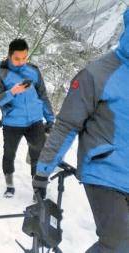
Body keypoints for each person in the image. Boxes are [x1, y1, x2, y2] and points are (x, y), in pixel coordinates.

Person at [33, 9, 129, 252]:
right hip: (104, 170)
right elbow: (66, 124)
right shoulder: (98, 73)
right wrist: (44, 169)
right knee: (118, 243)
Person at [0, 38, 55, 198]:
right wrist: (13, 92)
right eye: (17, 58)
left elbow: (42, 95)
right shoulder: (0, 74)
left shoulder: (33, 71)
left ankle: (38, 190)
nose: (21, 62)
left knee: (38, 154)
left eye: (25, 58)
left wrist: (50, 118)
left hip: (34, 121)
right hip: (12, 123)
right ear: (9, 56)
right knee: (9, 154)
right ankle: (10, 185)